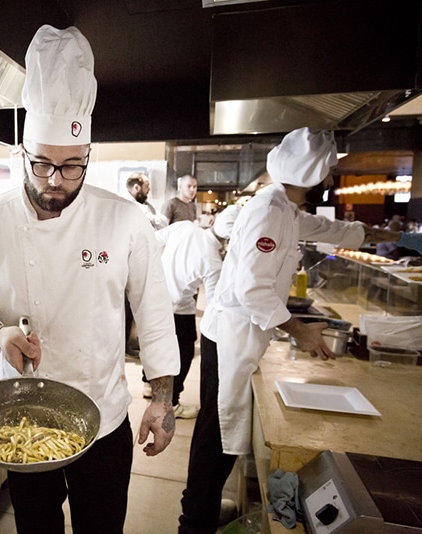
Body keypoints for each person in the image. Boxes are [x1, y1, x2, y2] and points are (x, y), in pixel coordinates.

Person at [0, 25, 180, 534]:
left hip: (105, 418)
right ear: (23, 152)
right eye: (44, 164)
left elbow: (156, 314)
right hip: (20, 417)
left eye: (72, 167)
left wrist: (162, 400)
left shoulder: (124, 220)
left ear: (89, 156)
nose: (56, 182)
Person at [178, 127, 422, 534]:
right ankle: (194, 523)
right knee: (216, 434)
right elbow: (251, 289)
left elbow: (329, 231)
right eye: (327, 173)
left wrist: (395, 236)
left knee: (218, 433)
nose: (329, 182)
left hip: (241, 334)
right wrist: (299, 331)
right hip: (232, 336)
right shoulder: (269, 210)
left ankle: (200, 512)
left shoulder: (285, 208)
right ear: (311, 172)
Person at [139, 205, 241, 420]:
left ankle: (150, 385)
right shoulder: (214, 262)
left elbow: (152, 239)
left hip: (154, 298)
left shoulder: (184, 227)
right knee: (182, 355)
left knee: (154, 344)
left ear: (213, 222)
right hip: (180, 309)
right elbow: (215, 303)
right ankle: (172, 402)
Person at [124, 172, 168, 356]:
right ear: (136, 187)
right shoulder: (126, 206)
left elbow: (163, 222)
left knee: (138, 308)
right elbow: (156, 222)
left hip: (144, 260)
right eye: (147, 187)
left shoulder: (145, 206)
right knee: (125, 310)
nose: (148, 191)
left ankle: (132, 343)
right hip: (126, 264)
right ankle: (125, 345)